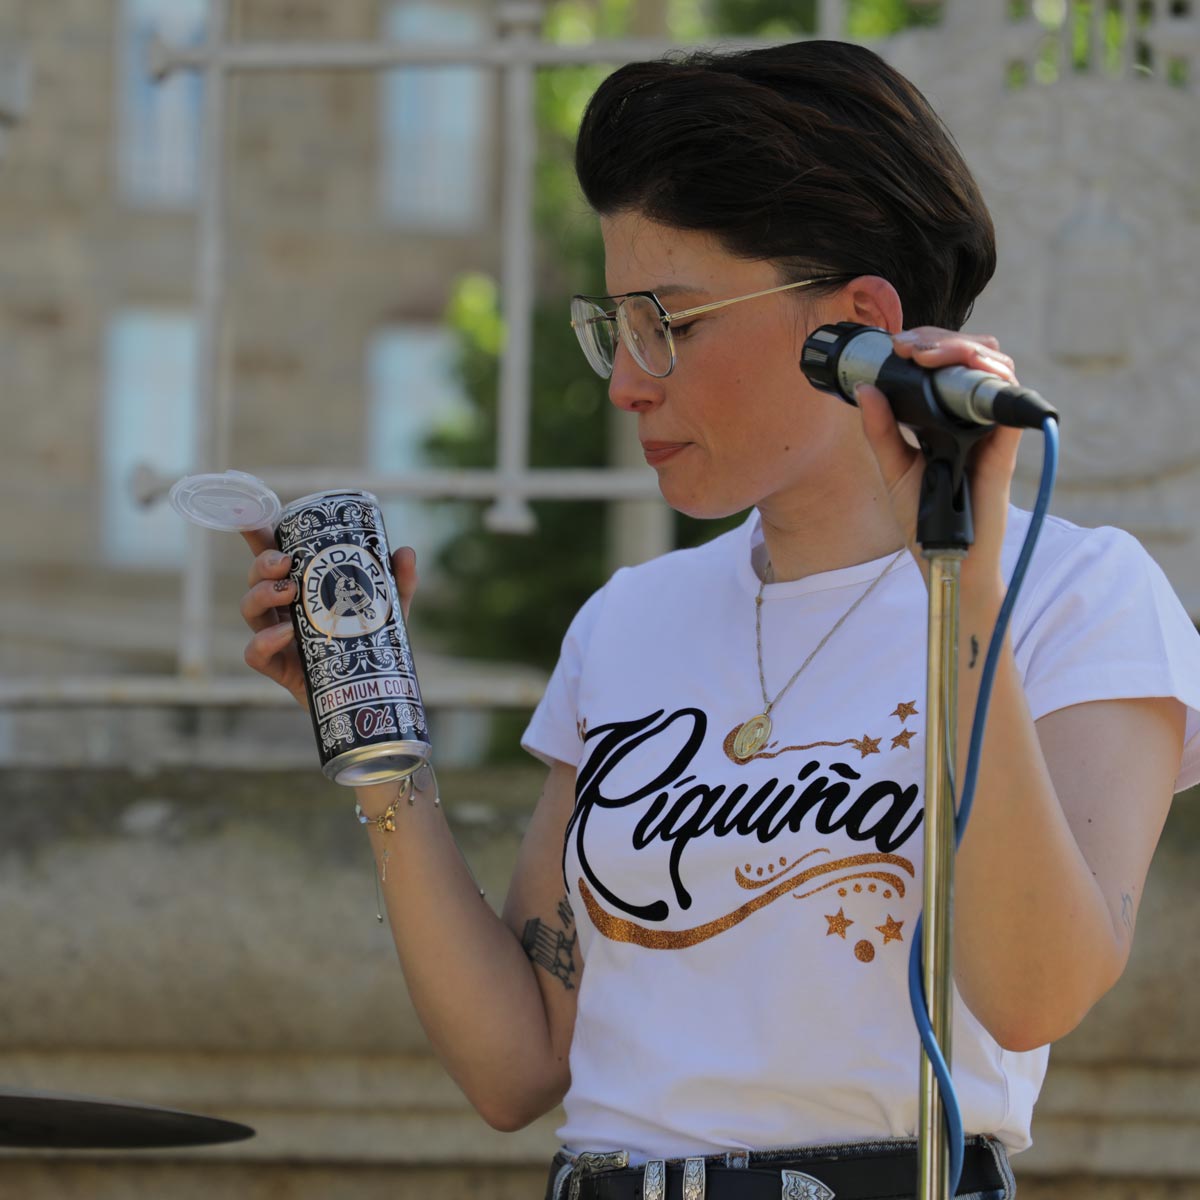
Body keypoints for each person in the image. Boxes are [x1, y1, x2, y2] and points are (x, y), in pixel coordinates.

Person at [237, 40, 1200, 1200]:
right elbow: (516, 1064)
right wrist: (380, 750)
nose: (626, 381)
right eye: (616, 326)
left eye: (670, 322)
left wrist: (965, 581)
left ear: (856, 321)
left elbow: (1035, 991)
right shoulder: (630, 619)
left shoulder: (1076, 594)